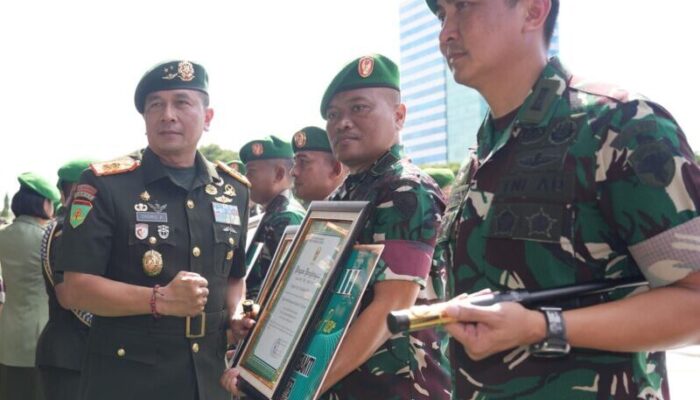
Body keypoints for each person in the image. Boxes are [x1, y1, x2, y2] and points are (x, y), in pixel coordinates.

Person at [427, 0, 700, 398]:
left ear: (533, 11)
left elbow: (694, 300)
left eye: (464, 6)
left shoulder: (621, 126)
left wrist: (545, 327)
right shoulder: (479, 156)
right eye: (441, 15)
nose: (445, 33)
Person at [55, 60, 250, 400]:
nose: (167, 114)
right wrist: (159, 300)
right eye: (155, 105)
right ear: (144, 120)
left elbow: (234, 277)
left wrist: (235, 314)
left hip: (210, 380)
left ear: (207, 118)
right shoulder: (106, 185)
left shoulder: (233, 191)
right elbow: (74, 290)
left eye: (182, 102)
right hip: (129, 381)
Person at [35, 159, 93, 400]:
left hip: (72, 353)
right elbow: (73, 298)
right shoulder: (69, 229)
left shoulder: (64, 225)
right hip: (70, 354)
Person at [0, 172, 59, 400]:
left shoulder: (4, 236)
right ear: (44, 204)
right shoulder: (49, 238)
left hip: (7, 333)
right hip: (40, 333)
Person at [239, 136, 305, 299]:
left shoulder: (287, 218)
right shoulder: (272, 213)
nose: (245, 178)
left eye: (251, 172)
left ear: (279, 174)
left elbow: (276, 285)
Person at [291, 126, 347, 203]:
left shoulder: (360, 211)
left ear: (335, 168)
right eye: (295, 163)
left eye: (303, 162)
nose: (293, 172)